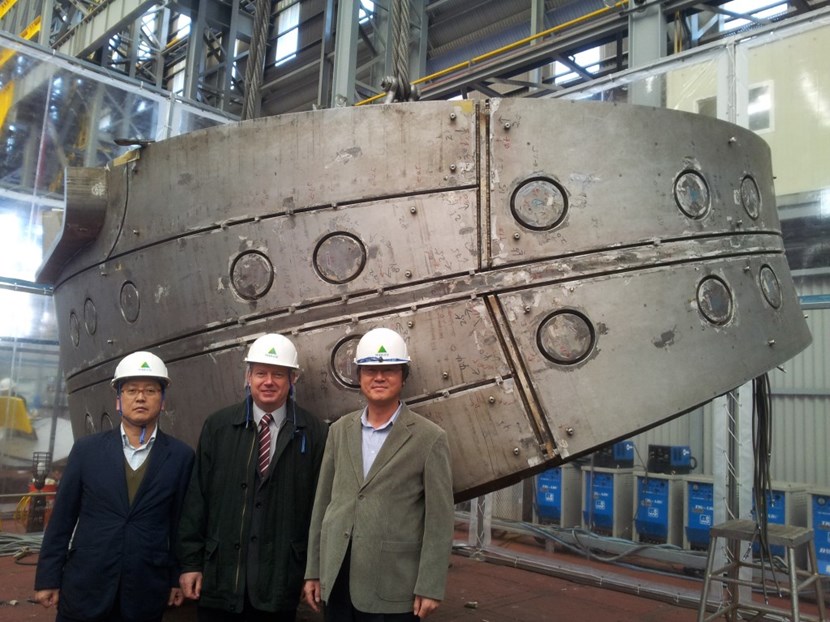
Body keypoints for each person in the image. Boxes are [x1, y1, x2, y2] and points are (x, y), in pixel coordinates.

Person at [303, 327, 454, 621]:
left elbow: (440, 519)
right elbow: (322, 504)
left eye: (389, 370)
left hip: (393, 585)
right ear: (359, 377)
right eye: (370, 370)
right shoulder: (339, 431)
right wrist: (314, 570)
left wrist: (430, 585)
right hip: (338, 578)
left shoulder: (429, 438)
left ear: (403, 376)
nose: (379, 377)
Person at [176, 333, 328, 621]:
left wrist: (313, 570)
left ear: (292, 379)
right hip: (221, 578)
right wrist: (190, 563)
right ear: (248, 377)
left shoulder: (314, 432)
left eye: (278, 374)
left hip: (280, 583)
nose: (268, 381)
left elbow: (319, 510)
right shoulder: (218, 427)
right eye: (260, 373)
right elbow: (197, 499)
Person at [34, 351, 195, 622]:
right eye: (131, 390)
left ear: (163, 401)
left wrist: (175, 577)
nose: (141, 397)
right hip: (86, 586)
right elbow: (62, 519)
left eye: (151, 390)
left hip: (144, 590)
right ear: (118, 400)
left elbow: (181, 525)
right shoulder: (87, 451)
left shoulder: (180, 456)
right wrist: (47, 577)